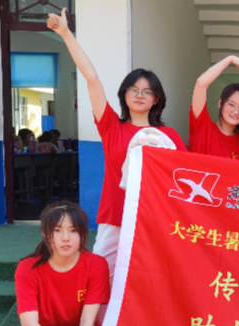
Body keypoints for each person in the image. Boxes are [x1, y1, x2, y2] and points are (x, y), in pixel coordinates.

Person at [48, 8, 186, 283]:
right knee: (102, 276)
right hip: (115, 215)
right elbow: (91, 78)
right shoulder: (111, 126)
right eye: (133, 89)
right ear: (124, 94)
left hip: (155, 219)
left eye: (147, 91)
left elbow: (182, 177)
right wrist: (65, 34)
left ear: (156, 99)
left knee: (149, 281)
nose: (139, 95)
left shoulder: (168, 136)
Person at [189, 55, 239, 160]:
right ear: (220, 103)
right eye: (231, 104)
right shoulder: (203, 128)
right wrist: (230, 59)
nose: (236, 111)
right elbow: (201, 84)